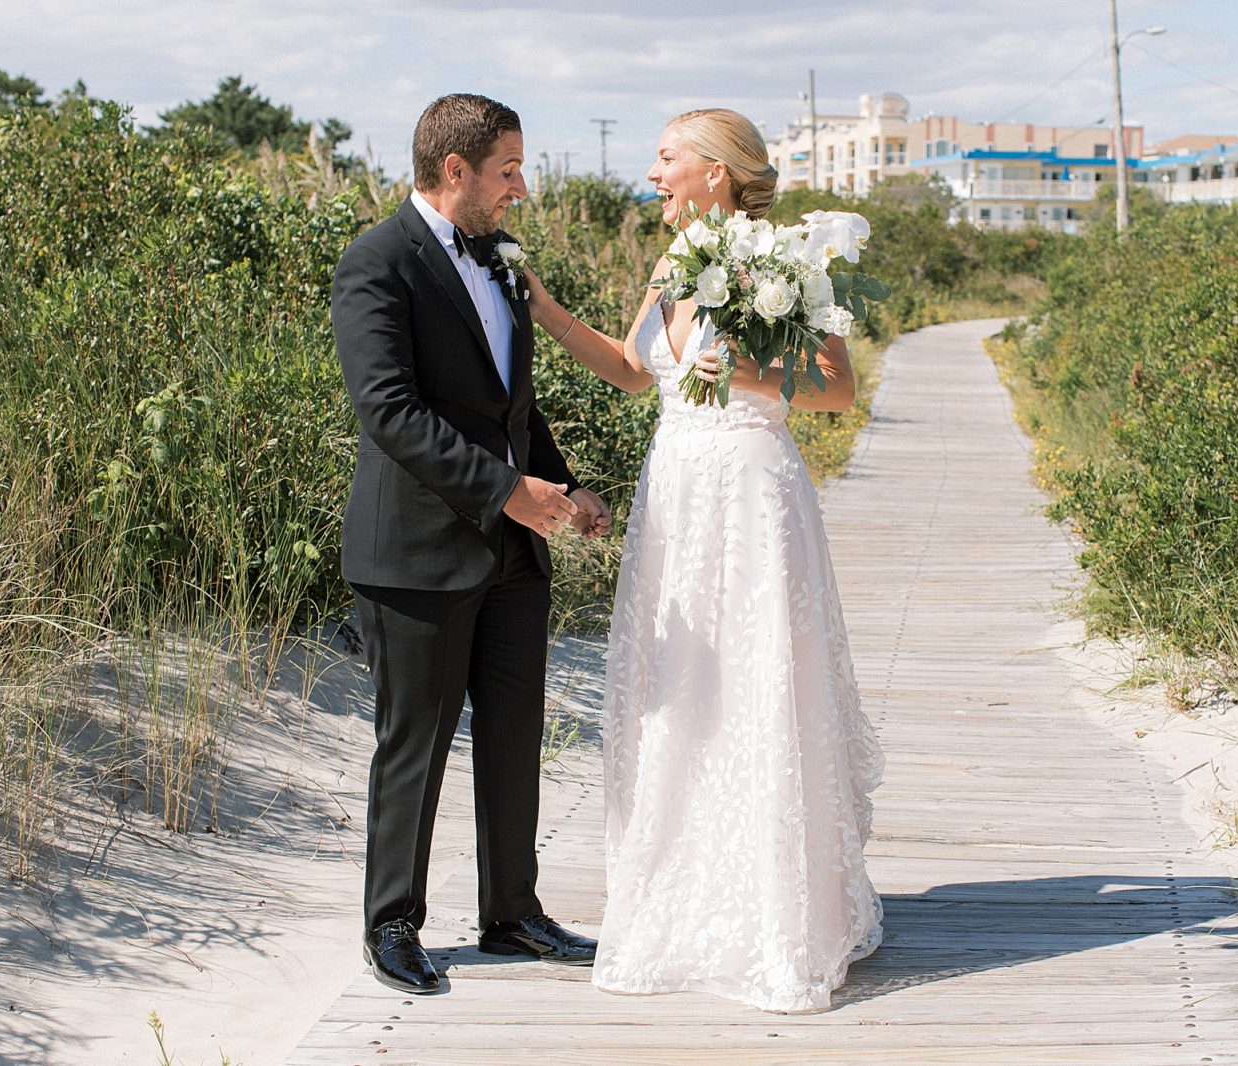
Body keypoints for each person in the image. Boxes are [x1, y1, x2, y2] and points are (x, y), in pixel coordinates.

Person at [523, 108, 884, 1013]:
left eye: (667, 155)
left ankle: (779, 912)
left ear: (715, 171)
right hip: (677, 492)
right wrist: (540, 305)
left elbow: (838, 389)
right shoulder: (672, 262)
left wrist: (747, 373)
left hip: (753, 494)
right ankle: (681, 884)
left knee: (755, 682)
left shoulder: (786, 260)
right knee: (682, 685)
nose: (654, 171)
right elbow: (637, 369)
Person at [331, 93, 612, 995]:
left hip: (514, 554)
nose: (520, 189)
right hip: (415, 551)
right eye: (508, 170)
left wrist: (563, 488)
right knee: (413, 740)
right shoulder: (376, 264)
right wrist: (505, 493)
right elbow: (390, 411)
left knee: (516, 735)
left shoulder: (500, 264)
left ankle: (512, 914)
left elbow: (507, 409)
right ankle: (392, 925)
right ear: (455, 171)